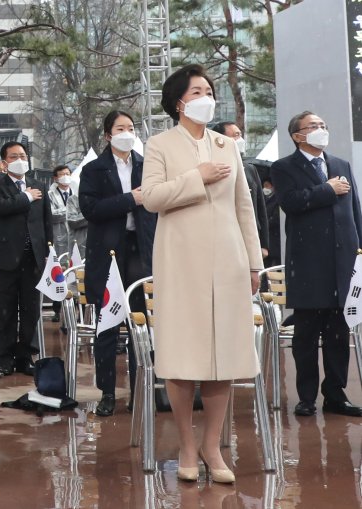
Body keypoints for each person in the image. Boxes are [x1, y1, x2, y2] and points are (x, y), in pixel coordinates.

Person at [142, 64, 263, 483]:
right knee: (182, 357)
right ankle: (187, 446)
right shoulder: (159, 144)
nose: (206, 96)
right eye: (198, 90)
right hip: (180, 261)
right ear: (179, 101)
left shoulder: (226, 145)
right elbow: (152, 198)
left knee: (223, 357)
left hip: (228, 262)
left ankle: (213, 446)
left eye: (209, 90)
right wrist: (197, 177)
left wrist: (253, 263)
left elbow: (244, 207)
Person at [271, 111, 362, 418]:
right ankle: (307, 397)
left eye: (323, 125)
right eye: (313, 126)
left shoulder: (340, 164)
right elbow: (292, 202)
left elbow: (355, 212)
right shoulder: (283, 167)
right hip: (308, 265)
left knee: (339, 333)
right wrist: (327, 189)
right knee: (306, 336)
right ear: (298, 135)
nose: (321, 129)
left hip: (343, 262)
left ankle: (335, 394)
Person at [79, 110, 157, 416]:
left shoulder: (147, 163)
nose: (127, 132)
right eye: (120, 128)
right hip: (108, 253)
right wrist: (129, 200)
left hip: (141, 250)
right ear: (108, 135)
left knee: (142, 323)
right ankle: (107, 392)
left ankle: (142, 388)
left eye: (131, 127)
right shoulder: (95, 169)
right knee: (108, 324)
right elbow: (90, 208)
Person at [0, 141, 52, 376]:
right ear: (4, 162)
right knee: (6, 311)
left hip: (33, 259)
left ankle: (25, 356)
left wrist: (48, 253)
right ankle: (4, 357)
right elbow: (1, 208)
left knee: (31, 311)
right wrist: (25, 197)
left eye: (23, 155)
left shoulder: (39, 186)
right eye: (14, 156)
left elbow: (46, 222)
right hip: (5, 259)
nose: (20, 160)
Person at [212, 121, 269, 259]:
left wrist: (264, 244)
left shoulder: (250, 169)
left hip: (250, 236)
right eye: (235, 135)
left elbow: (260, 207)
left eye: (240, 135)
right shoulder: (212, 168)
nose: (240, 140)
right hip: (223, 237)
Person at [48, 164, 73, 322]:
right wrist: (70, 212)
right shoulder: (50, 194)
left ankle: (74, 308)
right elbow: (52, 214)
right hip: (58, 238)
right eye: (62, 174)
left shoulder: (76, 192)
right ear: (56, 178)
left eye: (68, 173)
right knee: (59, 274)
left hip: (75, 238)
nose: (65, 176)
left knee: (73, 273)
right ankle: (57, 309)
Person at [262, 177, 281, 268]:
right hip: (268, 240)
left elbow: (276, 218)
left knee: (275, 266)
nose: (265, 188)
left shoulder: (278, 199)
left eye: (267, 185)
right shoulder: (265, 199)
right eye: (263, 186)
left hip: (275, 239)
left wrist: (265, 224)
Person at [66, 193, 87, 258]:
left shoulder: (104, 199)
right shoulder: (73, 199)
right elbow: (72, 221)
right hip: (79, 248)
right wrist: (92, 213)